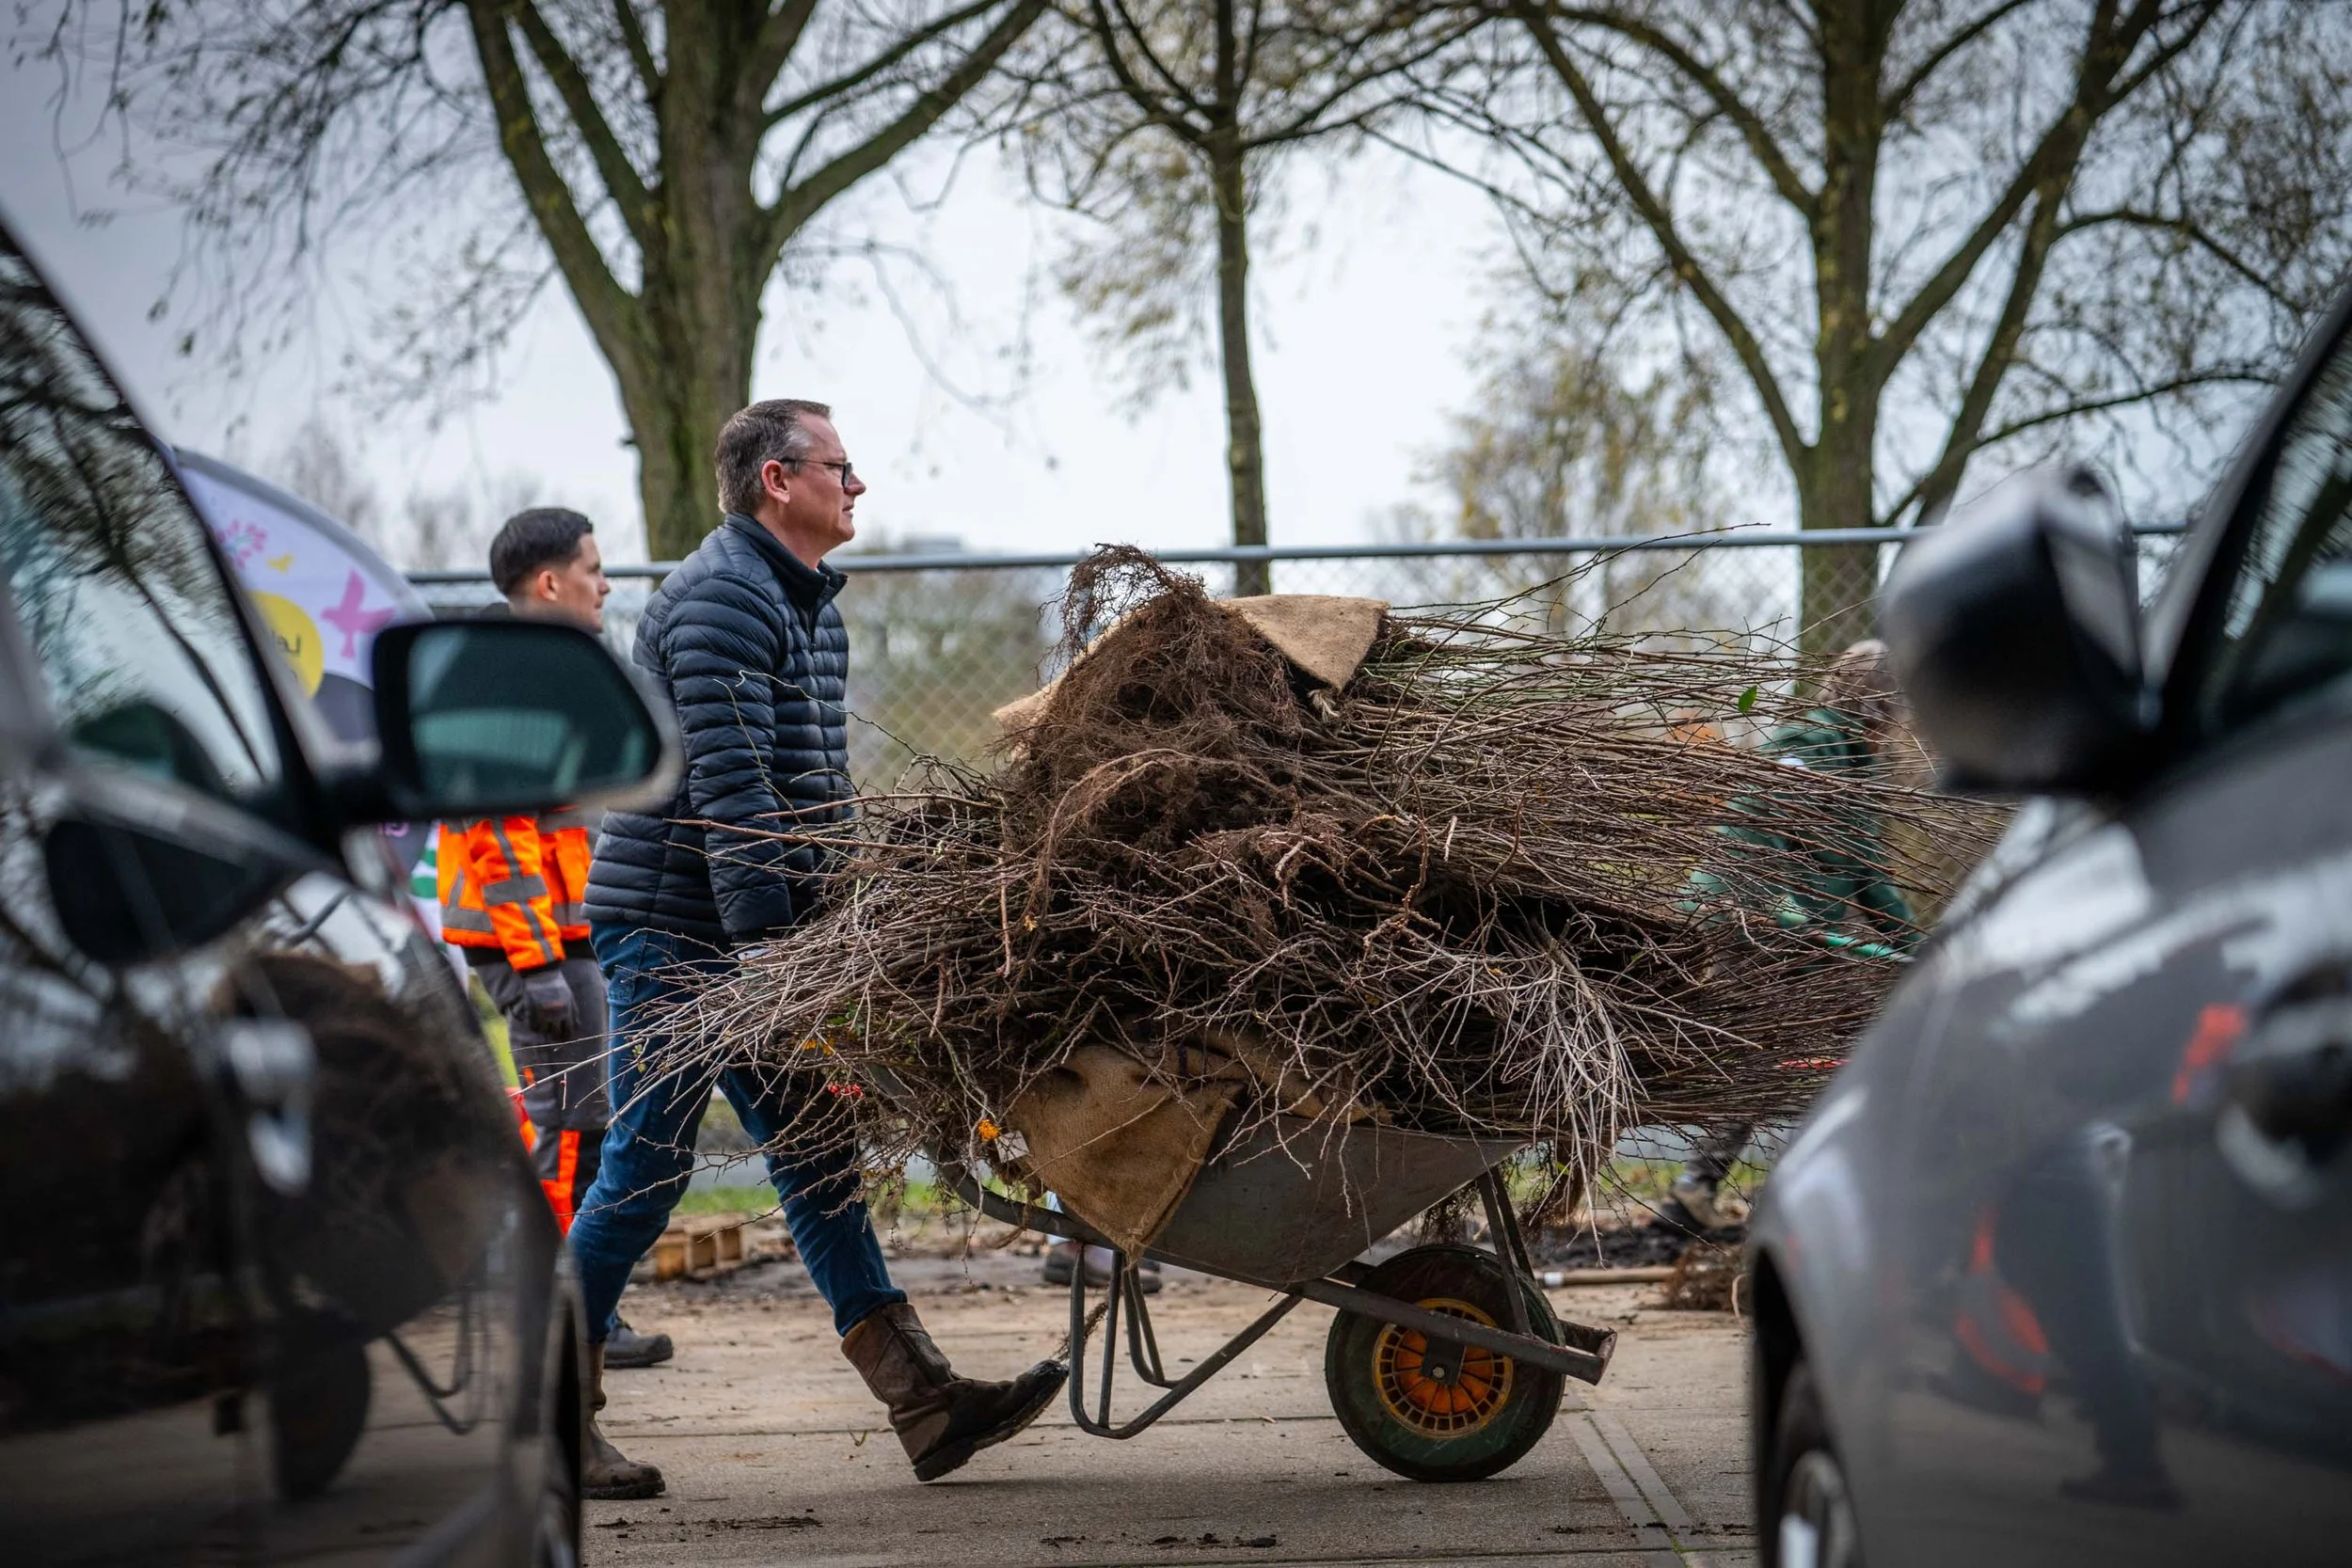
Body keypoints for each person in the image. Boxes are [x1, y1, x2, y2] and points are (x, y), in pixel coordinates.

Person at [569, 401, 1065, 1499]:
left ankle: (926, 1402)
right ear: (777, 479)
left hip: (746, 939)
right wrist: (790, 975)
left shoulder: (807, 607)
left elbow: (812, 799)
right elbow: (738, 806)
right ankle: (542, 1417)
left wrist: (846, 923)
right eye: (843, 467)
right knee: (645, 1168)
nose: (858, 486)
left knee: (815, 1156)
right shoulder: (717, 603)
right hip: (676, 928)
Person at [437, 510, 672, 1370]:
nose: (605, 585)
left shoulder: (527, 674)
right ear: (549, 583)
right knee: (571, 1130)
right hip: (530, 948)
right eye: (593, 569)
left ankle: (585, 1313)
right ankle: (561, 1319)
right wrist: (539, 967)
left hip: (559, 939)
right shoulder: (502, 682)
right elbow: (499, 841)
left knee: (587, 1127)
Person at [1669, 640, 1920, 1231]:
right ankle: (1789, 1199)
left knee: (1802, 1041)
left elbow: (1867, 875)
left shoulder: (1858, 766)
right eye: (1895, 715)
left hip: (1797, 930)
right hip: (1746, 916)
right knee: (1787, 1040)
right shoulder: (1804, 747)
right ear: (1877, 710)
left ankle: (1701, 1187)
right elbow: (1759, 826)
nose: (1899, 729)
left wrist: (1921, 950)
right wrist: (1780, 905)